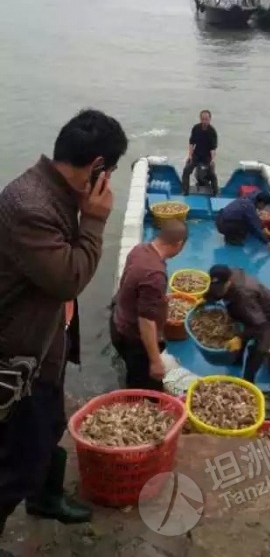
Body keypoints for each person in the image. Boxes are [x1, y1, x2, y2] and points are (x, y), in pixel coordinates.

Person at [0, 109, 128, 551]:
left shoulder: (58, 193)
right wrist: (95, 219)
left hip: (49, 339)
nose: (109, 180)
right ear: (96, 167)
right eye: (108, 171)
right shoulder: (28, 205)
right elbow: (69, 277)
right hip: (19, 357)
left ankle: (44, 497)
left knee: (52, 421)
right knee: (15, 460)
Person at [110, 220, 188, 391]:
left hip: (117, 323)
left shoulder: (139, 249)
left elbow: (130, 285)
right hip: (134, 339)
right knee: (146, 388)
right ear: (179, 244)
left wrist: (159, 299)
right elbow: (145, 321)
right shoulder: (155, 274)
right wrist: (155, 361)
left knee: (134, 372)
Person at [204, 265, 270, 383]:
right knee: (241, 328)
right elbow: (216, 292)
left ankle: (248, 380)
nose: (218, 290)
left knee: (258, 350)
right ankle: (237, 360)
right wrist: (206, 298)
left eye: (220, 287)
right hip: (250, 310)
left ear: (229, 282)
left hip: (268, 316)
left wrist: (240, 338)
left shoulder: (243, 297)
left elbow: (259, 325)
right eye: (215, 286)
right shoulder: (226, 276)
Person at [181, 110, 218, 196]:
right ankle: (185, 191)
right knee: (186, 170)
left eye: (206, 119)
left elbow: (213, 149)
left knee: (205, 175)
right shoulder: (196, 128)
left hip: (206, 158)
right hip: (196, 156)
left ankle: (215, 191)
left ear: (210, 119)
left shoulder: (212, 132)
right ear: (200, 119)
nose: (204, 121)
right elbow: (191, 143)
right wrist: (189, 155)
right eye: (202, 119)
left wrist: (212, 160)